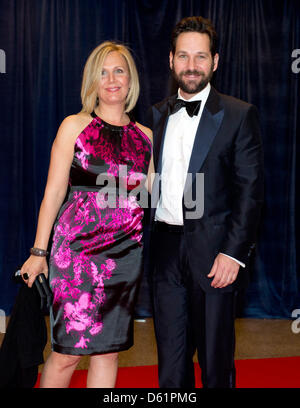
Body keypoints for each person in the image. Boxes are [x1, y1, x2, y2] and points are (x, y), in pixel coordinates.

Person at [20, 41, 153, 388]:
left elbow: (156, 195)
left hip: (125, 258)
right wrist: (38, 252)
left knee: (108, 351)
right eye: (103, 72)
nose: (111, 79)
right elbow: (53, 192)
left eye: (119, 70)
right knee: (68, 352)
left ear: (130, 80)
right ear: (92, 81)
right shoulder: (74, 127)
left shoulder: (146, 137)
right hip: (76, 255)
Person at [148, 16, 264, 388]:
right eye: (184, 56)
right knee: (171, 363)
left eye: (200, 57)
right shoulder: (156, 114)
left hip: (215, 254)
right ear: (171, 60)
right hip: (165, 251)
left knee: (216, 364)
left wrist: (233, 253)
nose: (191, 65)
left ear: (215, 61)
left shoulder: (237, 114)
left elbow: (251, 190)